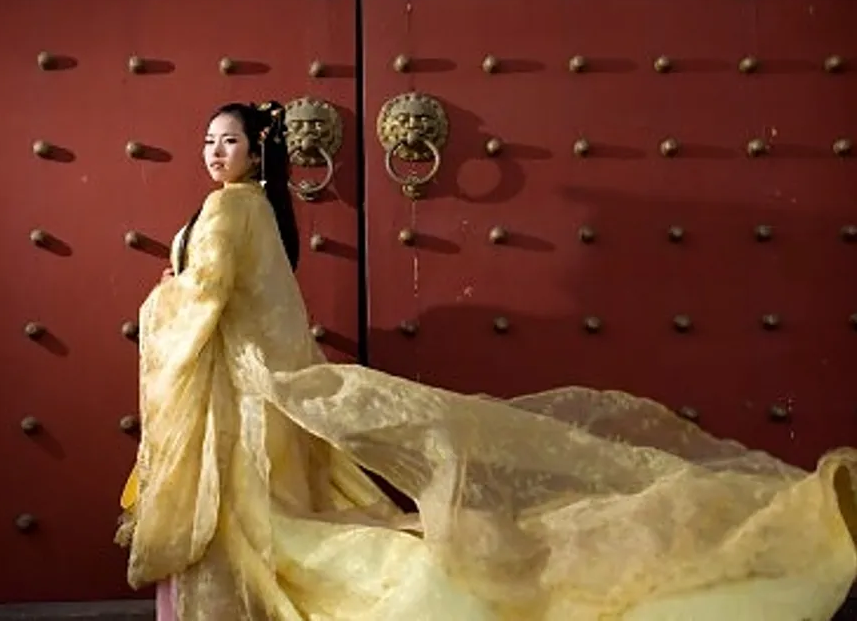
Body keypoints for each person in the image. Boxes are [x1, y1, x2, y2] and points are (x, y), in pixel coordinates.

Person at [116, 100, 857, 621]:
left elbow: (206, 293)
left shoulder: (229, 208)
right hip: (254, 394)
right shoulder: (259, 209)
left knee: (259, 526)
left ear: (258, 152)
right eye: (209, 141)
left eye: (230, 142)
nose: (215, 152)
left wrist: (162, 299)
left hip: (235, 398)